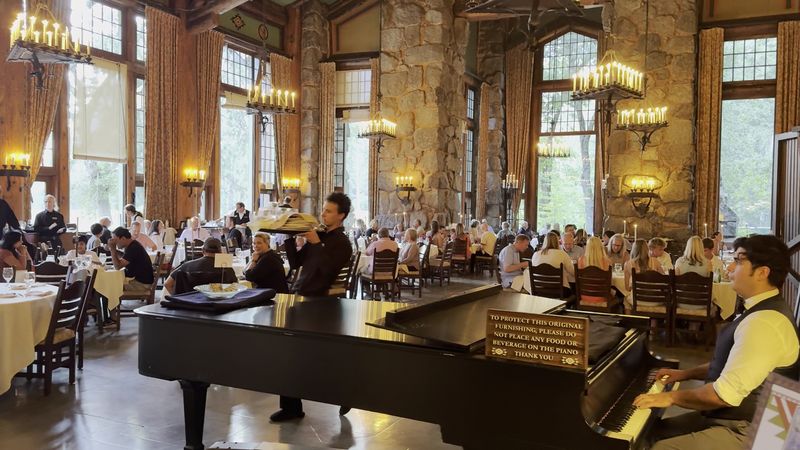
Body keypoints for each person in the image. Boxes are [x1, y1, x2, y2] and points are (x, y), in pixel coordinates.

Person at [634, 235, 799, 450]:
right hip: (740, 419)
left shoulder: (764, 323)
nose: (730, 267)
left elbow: (723, 395)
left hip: (758, 431)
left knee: (659, 448)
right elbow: (732, 365)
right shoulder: (761, 310)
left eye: (738, 261)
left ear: (762, 272)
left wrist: (670, 397)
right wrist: (684, 374)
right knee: (650, 433)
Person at [275, 192, 354, 422]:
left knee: (319, 359)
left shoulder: (342, 243)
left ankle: (345, 392)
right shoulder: (319, 235)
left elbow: (327, 269)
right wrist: (290, 237)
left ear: (341, 215)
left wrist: (317, 243)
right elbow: (296, 263)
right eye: (323, 209)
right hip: (299, 296)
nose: (323, 214)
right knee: (290, 355)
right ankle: (291, 408)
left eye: (329, 211)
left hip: (320, 305)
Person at [163, 238, 237, 295]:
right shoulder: (226, 269)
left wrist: (177, 299)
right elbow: (235, 287)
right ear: (220, 251)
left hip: (190, 307)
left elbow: (167, 284)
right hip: (218, 307)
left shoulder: (187, 266)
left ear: (203, 251)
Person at [108, 227, 154, 292]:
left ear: (123, 238)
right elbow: (125, 257)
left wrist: (113, 249)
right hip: (140, 281)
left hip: (142, 285)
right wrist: (112, 249)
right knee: (111, 285)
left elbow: (117, 266)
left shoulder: (133, 248)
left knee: (110, 288)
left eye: (115, 240)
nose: (114, 243)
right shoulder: (133, 244)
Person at [623, 239, 664, 311]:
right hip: (655, 299)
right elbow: (664, 280)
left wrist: (635, 286)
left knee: (626, 300)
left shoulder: (628, 264)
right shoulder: (655, 261)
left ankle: (631, 317)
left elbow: (627, 288)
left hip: (638, 300)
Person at [577, 237, 613, 305]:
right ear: (601, 247)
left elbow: (579, 280)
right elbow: (609, 282)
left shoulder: (581, 260)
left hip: (585, 296)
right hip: (602, 297)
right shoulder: (607, 261)